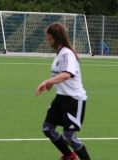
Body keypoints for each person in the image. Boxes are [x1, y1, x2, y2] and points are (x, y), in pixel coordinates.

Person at [35, 22, 90, 160]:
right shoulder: (60, 53)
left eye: (48, 38)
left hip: (74, 100)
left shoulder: (66, 53)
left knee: (69, 137)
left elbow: (67, 74)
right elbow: (61, 75)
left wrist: (47, 81)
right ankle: (69, 155)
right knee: (47, 128)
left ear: (50, 37)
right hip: (61, 98)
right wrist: (53, 83)